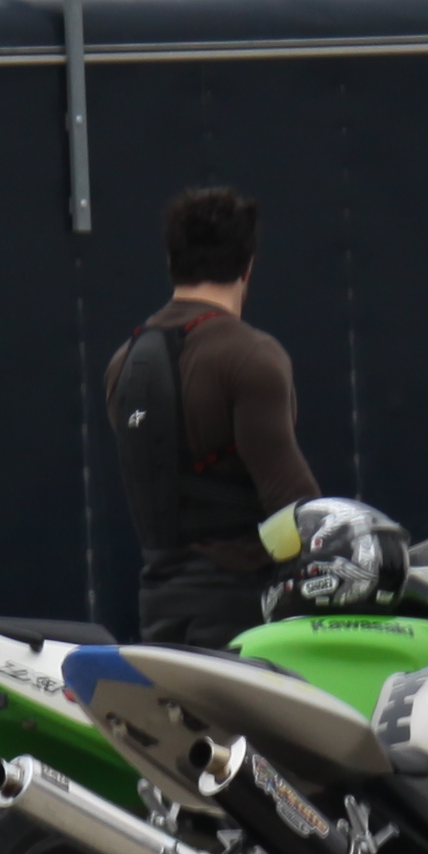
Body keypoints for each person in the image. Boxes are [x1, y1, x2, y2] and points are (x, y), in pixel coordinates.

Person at [106, 184, 321, 649]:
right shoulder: (250, 355)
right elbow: (291, 500)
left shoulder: (123, 363)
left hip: (159, 610)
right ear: (248, 266)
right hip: (243, 616)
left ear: (171, 261)